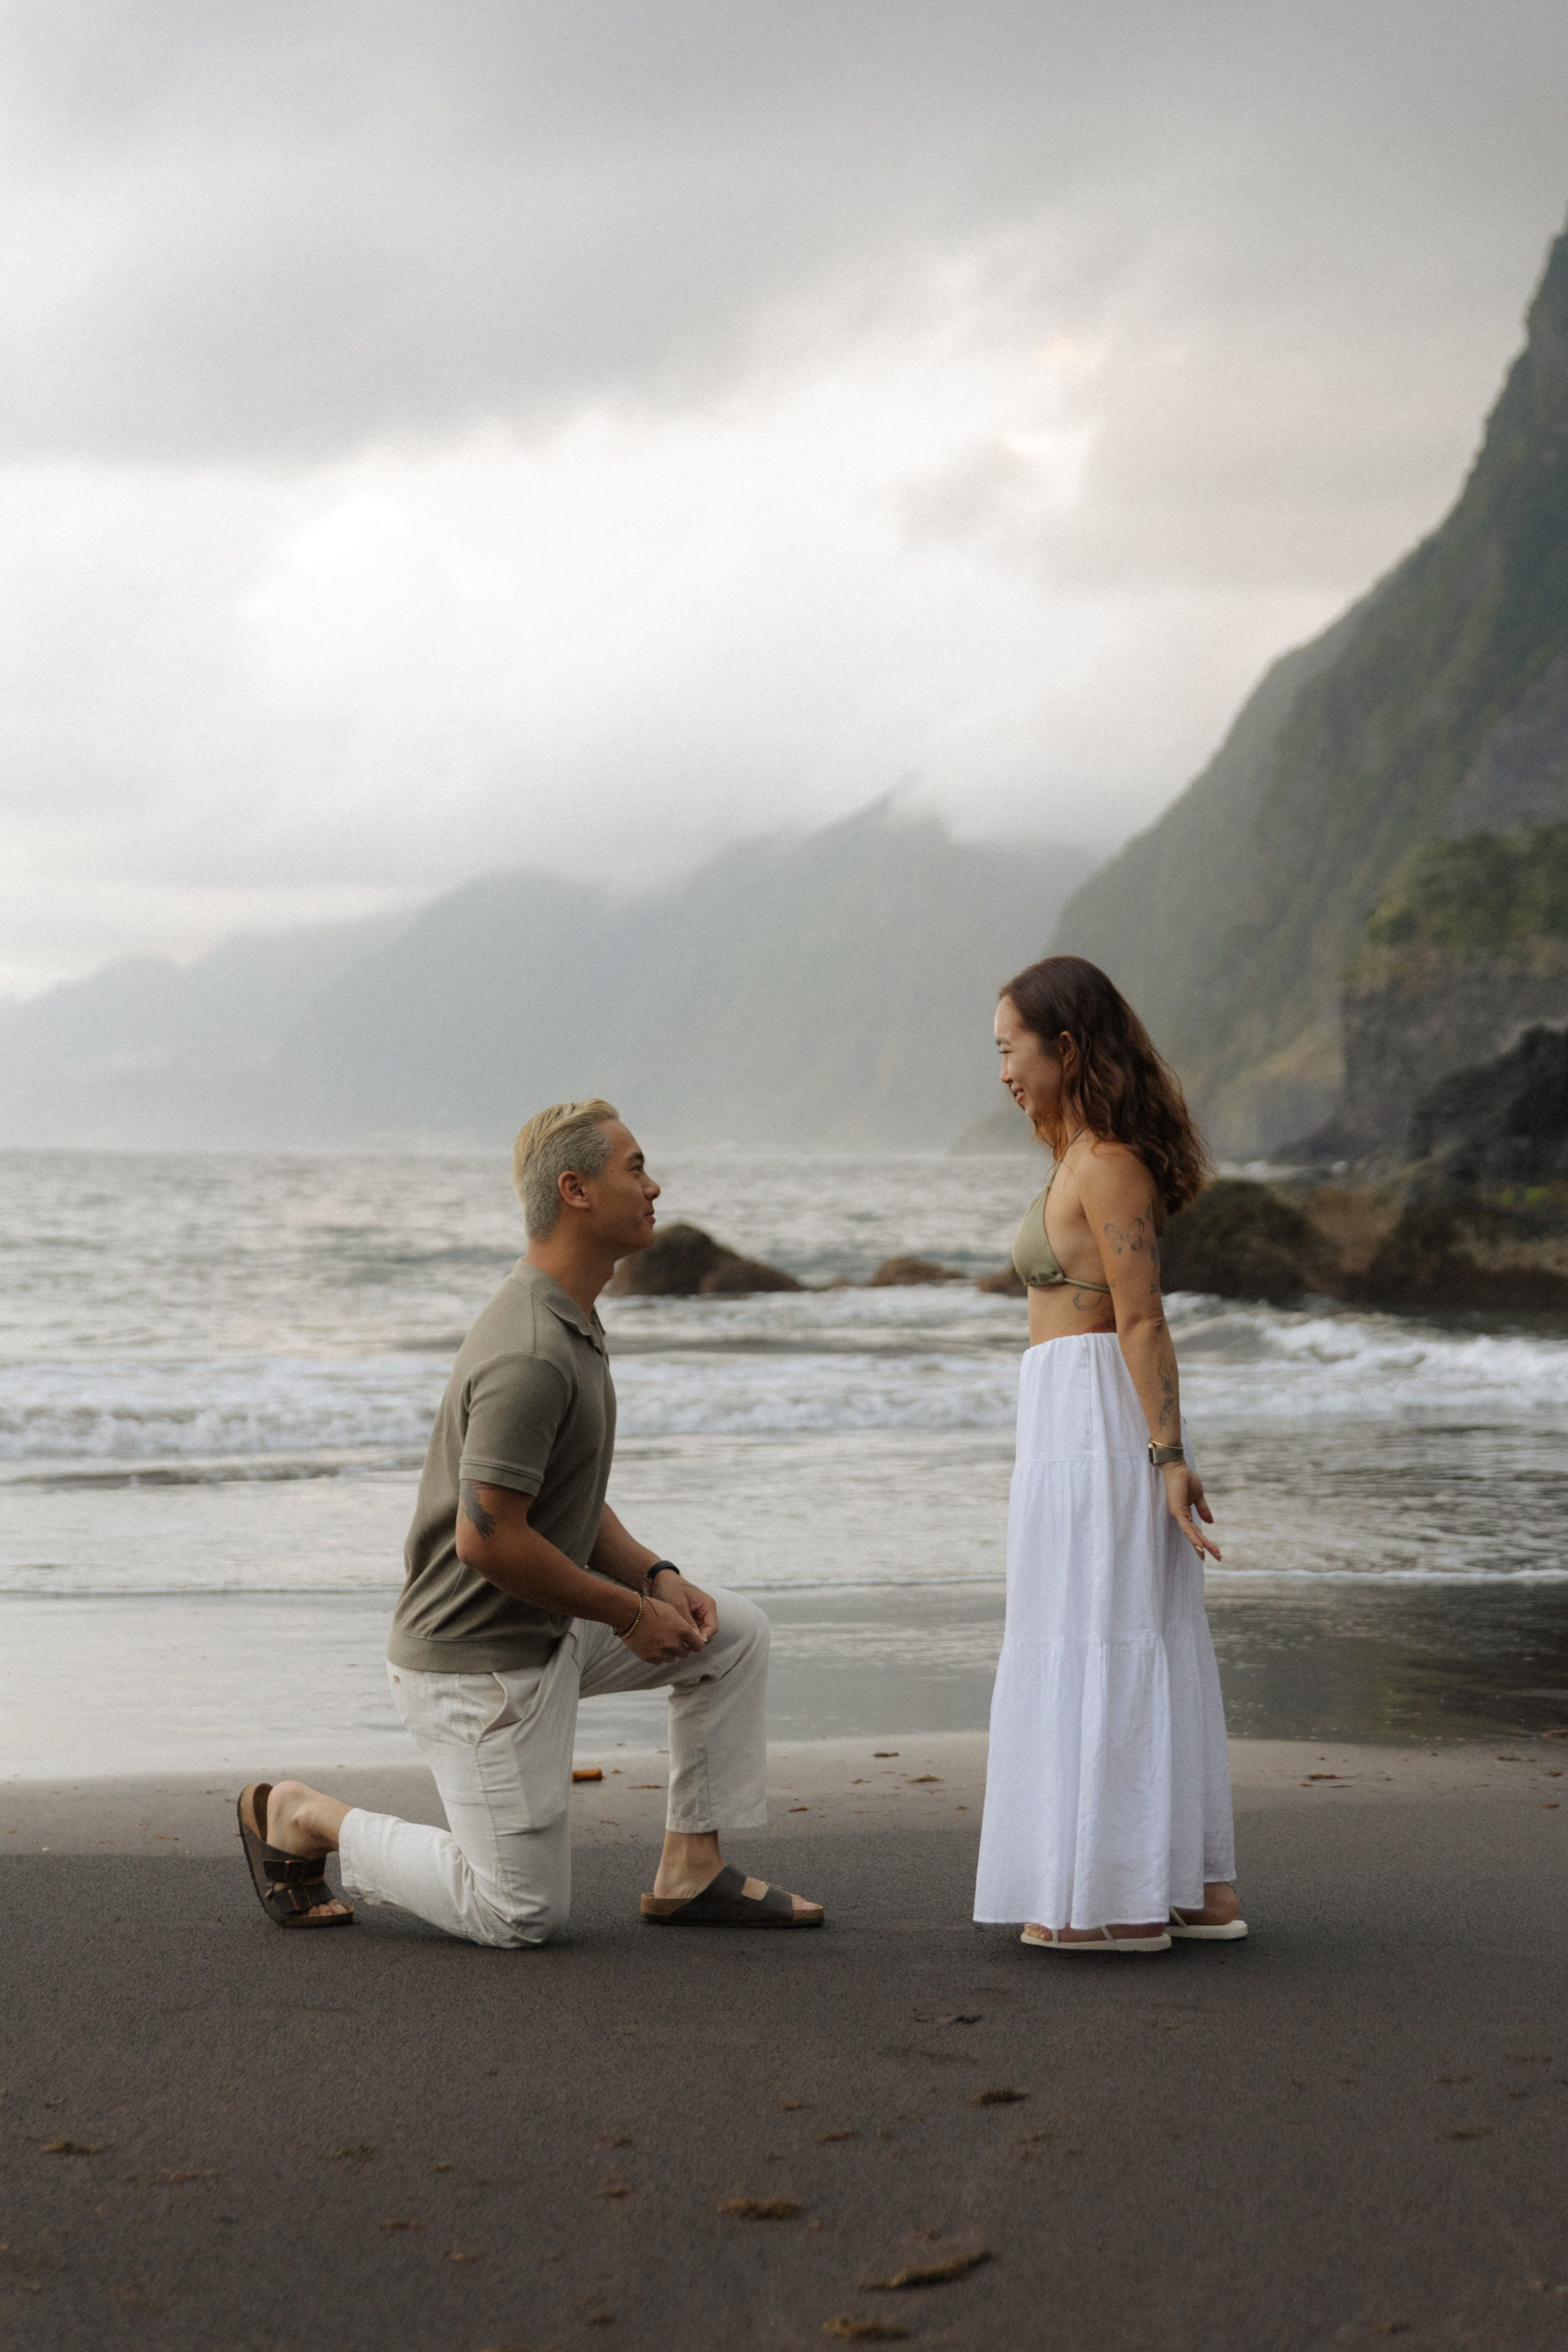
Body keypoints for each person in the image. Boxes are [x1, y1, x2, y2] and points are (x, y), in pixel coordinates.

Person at [236, 1099, 824, 1945]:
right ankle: (301, 1815)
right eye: (635, 1169)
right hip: (478, 1668)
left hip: (546, 1631)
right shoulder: (531, 1351)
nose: (655, 1187)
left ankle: (692, 1867)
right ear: (576, 1190)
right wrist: (627, 1613)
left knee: (732, 1636)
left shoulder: (573, 1318)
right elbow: (488, 1539)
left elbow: (564, 1496)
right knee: (517, 1914)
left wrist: (657, 1577)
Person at [973, 958, 1245, 1953]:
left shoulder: (1110, 1163)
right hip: (1064, 1418)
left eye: (1012, 1048)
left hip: (1097, 1423)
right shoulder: (1077, 1154)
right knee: (1113, 1625)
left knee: (1104, 1627)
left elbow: (1142, 1319)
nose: (1002, 1070)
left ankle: (1121, 1900)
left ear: (1067, 1047)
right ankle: (1191, 1891)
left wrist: (1168, 1454)